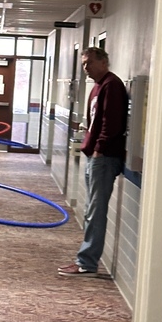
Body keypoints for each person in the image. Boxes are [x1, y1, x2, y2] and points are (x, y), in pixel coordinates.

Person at [58, 47, 129, 276]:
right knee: (91, 209)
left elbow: (112, 121)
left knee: (96, 211)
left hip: (105, 157)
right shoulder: (97, 87)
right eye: (83, 64)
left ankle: (87, 263)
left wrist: (100, 148)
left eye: (88, 63)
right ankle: (85, 259)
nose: (85, 68)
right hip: (95, 156)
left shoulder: (112, 85)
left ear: (104, 62)